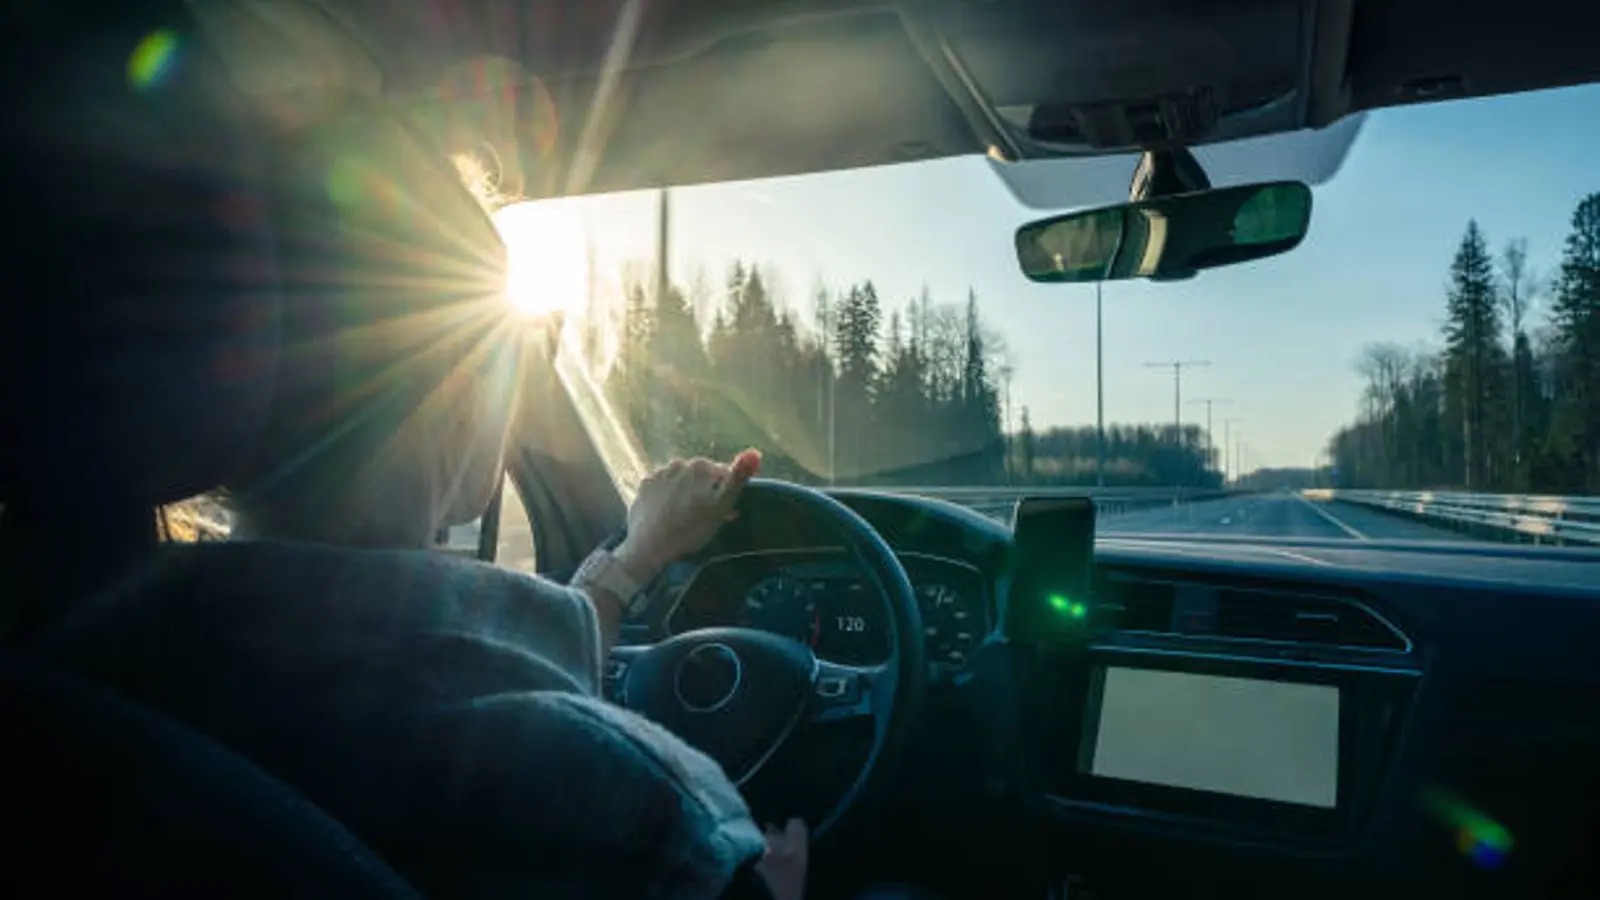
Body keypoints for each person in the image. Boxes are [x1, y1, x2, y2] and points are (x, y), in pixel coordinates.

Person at [33, 93, 810, 899]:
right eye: (519, 346)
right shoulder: (629, 810)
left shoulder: (79, 694)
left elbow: (432, 656)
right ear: (465, 395)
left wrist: (634, 558)